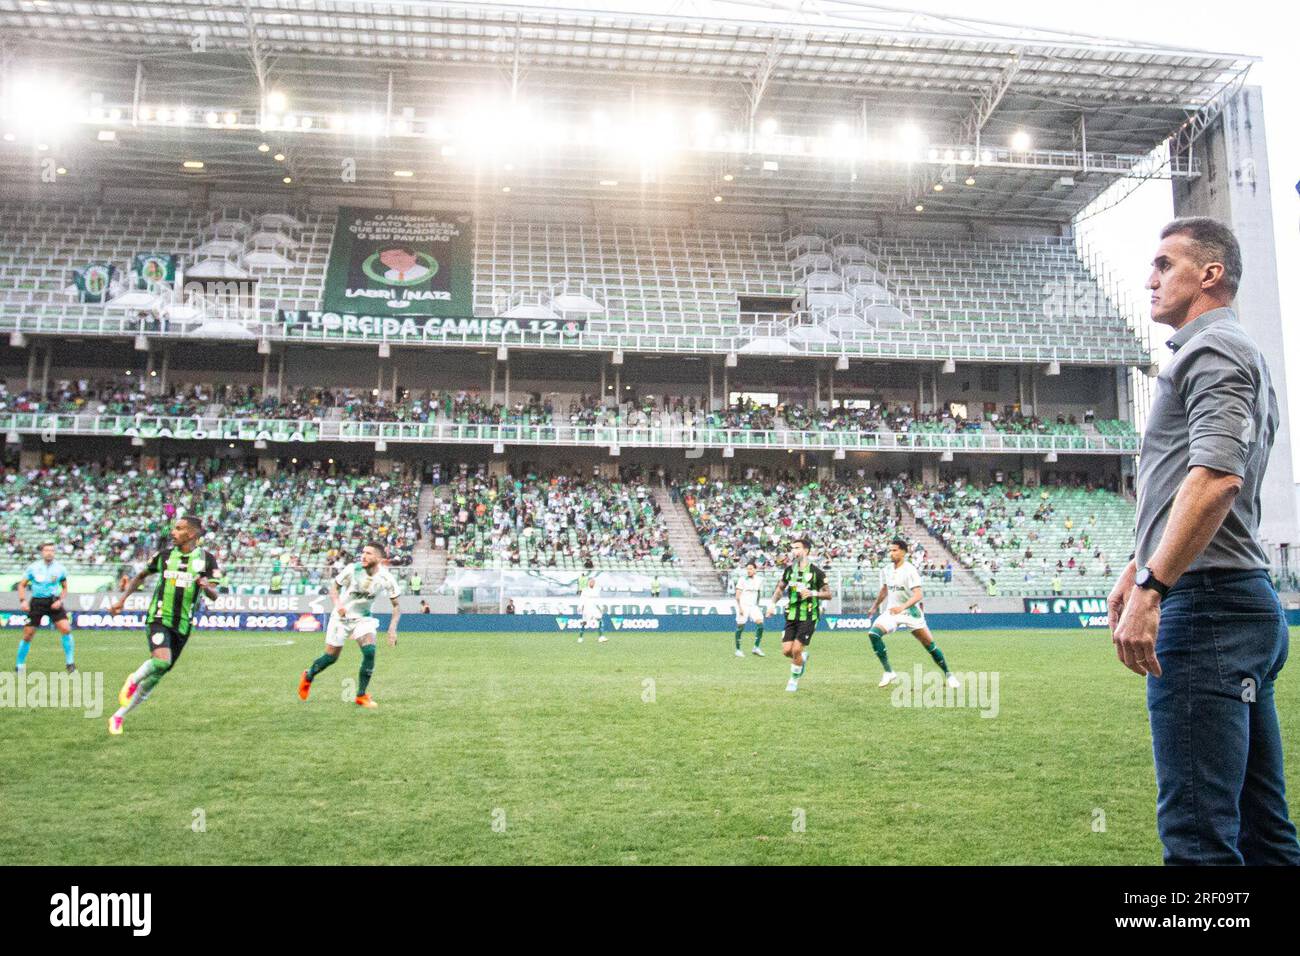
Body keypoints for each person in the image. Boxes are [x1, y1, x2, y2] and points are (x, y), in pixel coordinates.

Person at [1110, 216, 1300, 865]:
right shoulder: (1228, 350)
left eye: (1165, 264)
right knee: (1261, 830)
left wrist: (1154, 585)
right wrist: (1138, 563)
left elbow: (1217, 478)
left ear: (1210, 273)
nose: (1149, 279)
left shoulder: (1213, 350)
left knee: (1198, 840)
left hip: (1208, 607)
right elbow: (1195, 480)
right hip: (1234, 600)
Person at [107, 516, 219, 735]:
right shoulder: (164, 556)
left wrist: (206, 586)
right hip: (158, 617)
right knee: (161, 660)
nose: (173, 532)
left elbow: (214, 595)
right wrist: (122, 600)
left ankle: (118, 716)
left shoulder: (207, 560)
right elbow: (140, 576)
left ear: (192, 534)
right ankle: (133, 678)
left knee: (159, 673)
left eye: (179, 529)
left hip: (183, 625)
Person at [298, 543, 400, 710]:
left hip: (363, 618)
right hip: (341, 617)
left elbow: (396, 606)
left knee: (370, 652)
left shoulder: (386, 578)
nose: (364, 555)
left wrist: (392, 629)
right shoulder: (352, 569)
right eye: (363, 552)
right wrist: (338, 604)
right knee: (331, 658)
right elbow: (334, 588)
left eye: (369, 553)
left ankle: (361, 695)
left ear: (379, 559)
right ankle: (308, 675)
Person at [863, 538, 960, 689]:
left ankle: (949, 675)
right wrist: (875, 606)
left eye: (894, 550)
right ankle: (889, 672)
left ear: (903, 552)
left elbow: (918, 595)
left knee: (930, 645)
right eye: (890, 550)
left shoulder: (910, 570)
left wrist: (902, 607)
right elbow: (885, 589)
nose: (891, 553)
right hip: (893, 611)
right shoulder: (887, 569)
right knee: (873, 634)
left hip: (910, 612)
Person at [767, 537, 831, 693]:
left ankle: (793, 680)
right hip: (791, 615)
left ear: (806, 550)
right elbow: (780, 589)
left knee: (796, 650)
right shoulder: (789, 570)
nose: (793, 551)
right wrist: (772, 605)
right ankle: (802, 658)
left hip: (809, 616)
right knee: (787, 651)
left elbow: (828, 594)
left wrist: (813, 593)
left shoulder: (817, 572)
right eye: (792, 548)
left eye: (797, 548)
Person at [16, 542, 75, 674]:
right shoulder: (33, 568)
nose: (49, 552)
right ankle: (19, 665)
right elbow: (21, 585)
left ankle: (70, 663)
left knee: (66, 629)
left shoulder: (60, 568)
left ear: (54, 553)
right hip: (37, 602)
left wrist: (60, 600)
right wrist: (23, 601)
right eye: (47, 550)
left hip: (53, 601)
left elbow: (65, 587)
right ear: (42, 552)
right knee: (28, 635)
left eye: (52, 550)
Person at [732, 562, 767, 658]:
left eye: (751, 569)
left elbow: (758, 593)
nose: (749, 570)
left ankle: (756, 647)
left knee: (760, 624)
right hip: (743, 606)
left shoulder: (759, 580)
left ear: (755, 570)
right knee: (740, 627)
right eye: (747, 569)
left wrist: (757, 605)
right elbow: (737, 596)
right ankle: (738, 650)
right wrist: (740, 608)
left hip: (753, 606)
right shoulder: (742, 580)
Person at [577, 578, 606, 644]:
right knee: (584, 623)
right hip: (587, 607)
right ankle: (580, 637)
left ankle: (601, 637)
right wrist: (580, 606)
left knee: (600, 620)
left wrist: (601, 607)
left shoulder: (597, 590)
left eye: (593, 582)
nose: (592, 583)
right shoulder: (585, 590)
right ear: (588, 582)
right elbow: (582, 599)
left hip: (594, 608)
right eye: (591, 582)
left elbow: (598, 599)